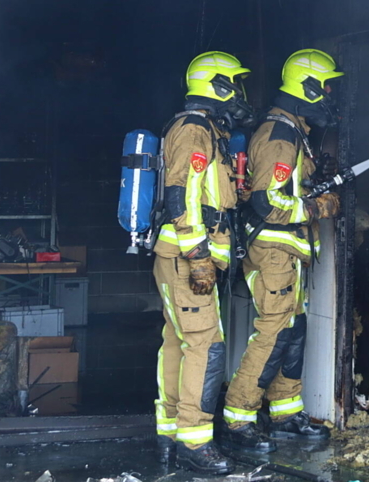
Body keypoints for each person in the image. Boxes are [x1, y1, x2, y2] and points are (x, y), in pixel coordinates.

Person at [223, 49, 343, 448]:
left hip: (288, 254)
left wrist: (313, 184)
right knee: (273, 334)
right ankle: (238, 419)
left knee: (294, 331)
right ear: (306, 87)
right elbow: (267, 203)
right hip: (272, 252)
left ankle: (285, 415)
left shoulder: (295, 132)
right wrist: (314, 206)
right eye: (325, 87)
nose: (329, 94)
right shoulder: (279, 135)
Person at [152, 51, 260, 474]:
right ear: (214, 85)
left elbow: (208, 193)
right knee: (206, 346)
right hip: (185, 257)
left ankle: (171, 434)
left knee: (179, 343)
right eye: (233, 83)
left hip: (179, 256)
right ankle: (195, 441)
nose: (238, 93)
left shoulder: (205, 131)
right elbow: (183, 197)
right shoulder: (194, 131)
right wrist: (198, 256)